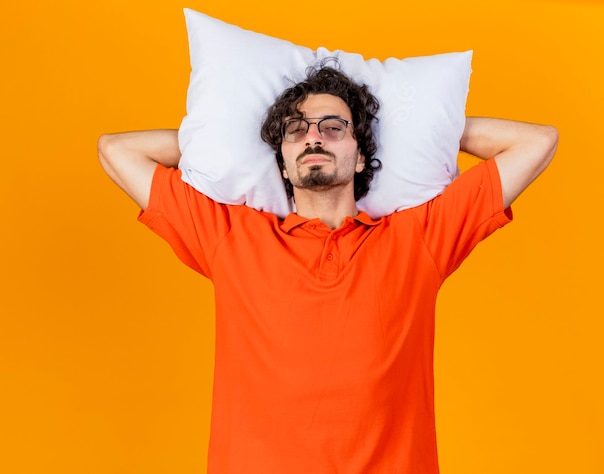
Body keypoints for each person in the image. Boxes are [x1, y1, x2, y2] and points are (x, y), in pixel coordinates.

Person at [98, 66, 558, 474]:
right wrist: (219, 138)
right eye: (296, 130)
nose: (313, 137)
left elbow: (537, 142)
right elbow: (117, 150)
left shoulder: (418, 237)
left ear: (361, 155)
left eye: (334, 128)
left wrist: (428, 131)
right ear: (280, 160)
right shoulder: (232, 236)